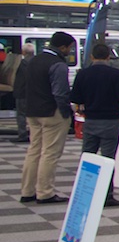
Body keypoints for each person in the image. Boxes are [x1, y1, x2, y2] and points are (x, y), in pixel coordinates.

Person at [71, 42, 119, 207]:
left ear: (92, 56)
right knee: (108, 159)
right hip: (110, 121)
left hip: (90, 120)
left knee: (87, 156)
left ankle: (84, 192)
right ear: (108, 56)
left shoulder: (83, 74)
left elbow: (76, 98)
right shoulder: (115, 74)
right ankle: (107, 196)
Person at [18, 32, 76, 204]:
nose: (70, 51)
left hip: (32, 111)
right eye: (70, 48)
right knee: (50, 153)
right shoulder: (58, 64)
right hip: (52, 112)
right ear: (62, 47)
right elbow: (60, 93)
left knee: (34, 151)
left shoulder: (33, 60)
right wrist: (67, 112)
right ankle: (45, 192)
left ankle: (27, 191)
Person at [10, 42, 35, 143]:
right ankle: (34, 135)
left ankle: (23, 135)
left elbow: (21, 80)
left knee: (21, 114)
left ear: (23, 52)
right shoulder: (36, 61)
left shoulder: (23, 63)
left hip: (23, 93)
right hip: (34, 93)